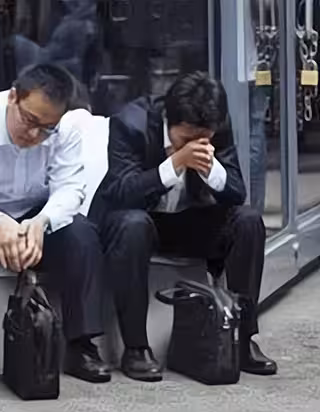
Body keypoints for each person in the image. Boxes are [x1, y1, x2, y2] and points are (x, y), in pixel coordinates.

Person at [0, 63, 111, 391]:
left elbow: (70, 189)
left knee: (81, 233)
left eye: (46, 128)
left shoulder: (65, 128)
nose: (34, 135)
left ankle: (82, 347)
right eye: (29, 121)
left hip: (34, 219)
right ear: (13, 97)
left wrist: (42, 222)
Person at [89, 71, 278, 382]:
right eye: (186, 139)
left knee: (247, 220)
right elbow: (121, 193)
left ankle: (242, 340)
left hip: (189, 222)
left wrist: (211, 168)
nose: (196, 146)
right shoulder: (131, 123)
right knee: (132, 223)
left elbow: (236, 192)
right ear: (169, 119)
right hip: (138, 222)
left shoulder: (215, 126)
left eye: (203, 139)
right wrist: (176, 163)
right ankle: (136, 348)